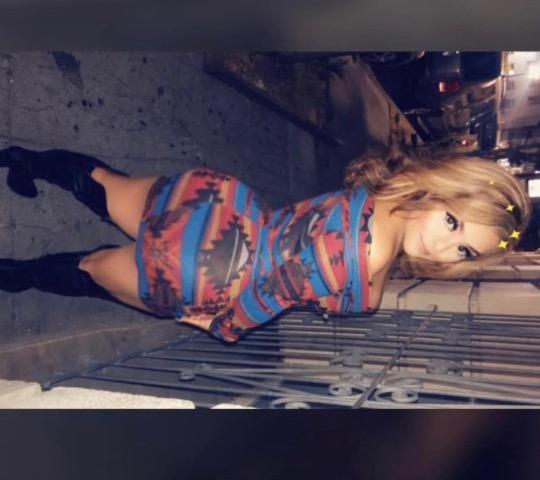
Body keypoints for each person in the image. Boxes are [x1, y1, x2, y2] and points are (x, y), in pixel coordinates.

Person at [0, 146, 531, 343]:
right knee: (92, 269)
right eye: (452, 222)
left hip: (222, 204)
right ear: (439, 187)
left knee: (105, 183)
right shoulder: (368, 256)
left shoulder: (382, 197)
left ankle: (24, 161)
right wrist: (224, 327)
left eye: (464, 252)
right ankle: (13, 274)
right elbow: (274, 292)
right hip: (205, 274)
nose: (443, 247)